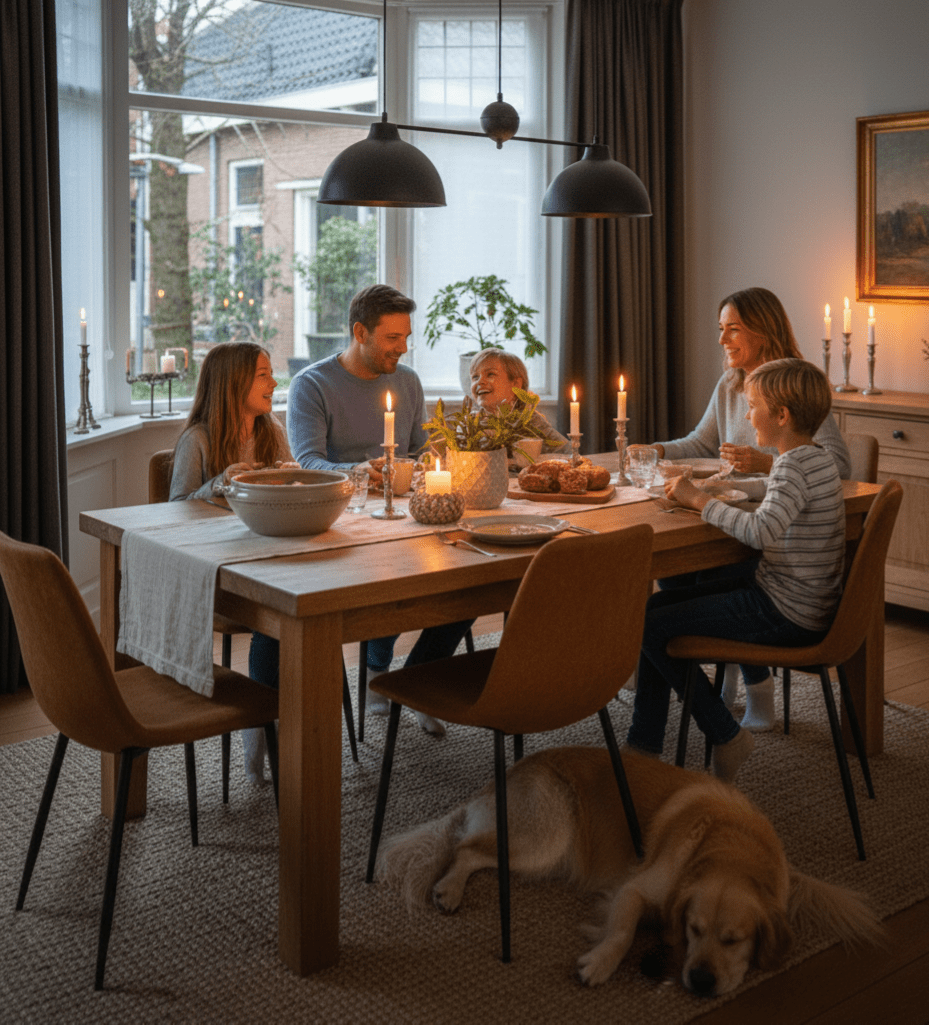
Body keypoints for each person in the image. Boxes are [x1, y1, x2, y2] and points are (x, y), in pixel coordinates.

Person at [626, 358, 845, 782]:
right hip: (804, 600)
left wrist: (698, 501)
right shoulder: (813, 459)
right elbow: (774, 491)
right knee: (654, 612)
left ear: (781, 415)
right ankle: (644, 743)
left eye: (752, 406)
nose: (746, 415)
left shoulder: (792, 466)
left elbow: (761, 532)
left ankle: (720, 734)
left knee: (651, 624)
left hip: (784, 611)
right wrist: (719, 492)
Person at [651, 287, 851, 725]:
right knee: (674, 579)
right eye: (720, 329)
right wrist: (656, 451)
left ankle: (742, 692)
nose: (722, 339)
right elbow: (702, 443)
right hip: (761, 536)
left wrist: (763, 467)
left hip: (776, 574)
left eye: (733, 329)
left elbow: (833, 465)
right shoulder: (732, 383)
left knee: (679, 601)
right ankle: (717, 683)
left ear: (763, 331)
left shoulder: (794, 390)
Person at [287, 283, 473, 737]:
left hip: (406, 516)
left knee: (471, 577)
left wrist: (433, 466)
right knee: (390, 581)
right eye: (393, 338)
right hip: (342, 527)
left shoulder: (407, 381)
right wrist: (357, 470)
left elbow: (425, 451)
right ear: (360, 332)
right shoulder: (311, 385)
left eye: (406, 337)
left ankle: (418, 681)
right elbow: (308, 462)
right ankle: (377, 673)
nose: (403, 348)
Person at [170, 341, 295, 784]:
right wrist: (220, 483)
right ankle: (263, 730)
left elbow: (290, 488)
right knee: (277, 620)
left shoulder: (271, 430)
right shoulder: (198, 439)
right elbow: (175, 511)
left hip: (266, 559)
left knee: (291, 613)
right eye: (263, 374)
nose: (274, 382)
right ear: (233, 382)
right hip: (218, 575)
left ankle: (276, 724)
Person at [468, 348, 570, 454]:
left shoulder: (531, 420)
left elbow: (568, 451)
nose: (480, 381)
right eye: (475, 377)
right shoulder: (473, 421)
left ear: (516, 384)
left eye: (490, 374)